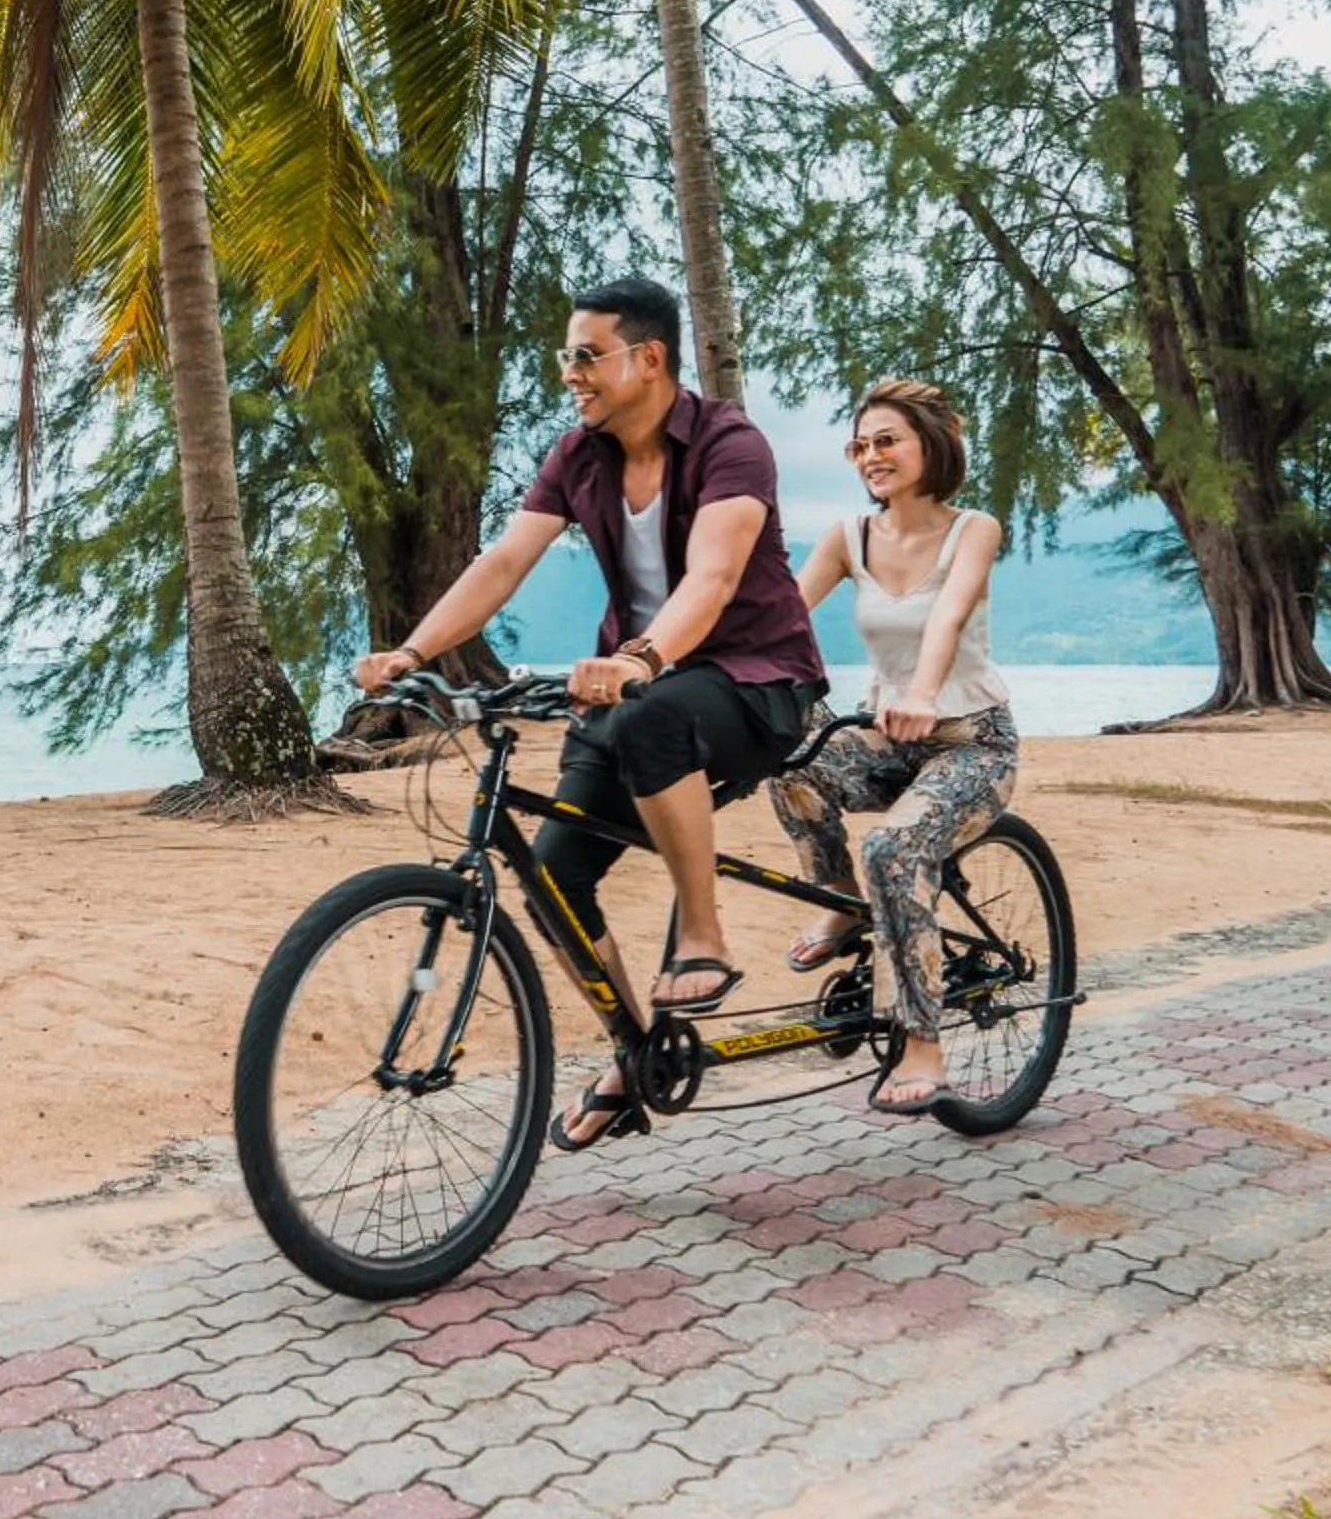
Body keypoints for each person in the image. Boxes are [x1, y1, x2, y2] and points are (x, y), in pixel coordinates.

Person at [350, 275, 826, 1148]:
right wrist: (413, 652)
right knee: (555, 880)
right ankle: (637, 1053)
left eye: (585, 355)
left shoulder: (729, 442)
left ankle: (703, 937)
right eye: (564, 356)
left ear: (648, 360)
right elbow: (503, 562)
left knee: (651, 716)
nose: (570, 373)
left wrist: (639, 657)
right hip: (636, 692)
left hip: (757, 685)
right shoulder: (579, 455)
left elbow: (714, 578)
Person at [769, 379, 1018, 1116]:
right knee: (791, 765)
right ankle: (841, 899)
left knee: (894, 850)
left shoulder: (974, 528)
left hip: (973, 745)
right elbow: (779, 614)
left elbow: (946, 617)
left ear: (930, 446)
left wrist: (921, 693)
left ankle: (923, 1043)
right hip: (890, 740)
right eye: (859, 444)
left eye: (886, 440)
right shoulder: (848, 537)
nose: (870, 456)